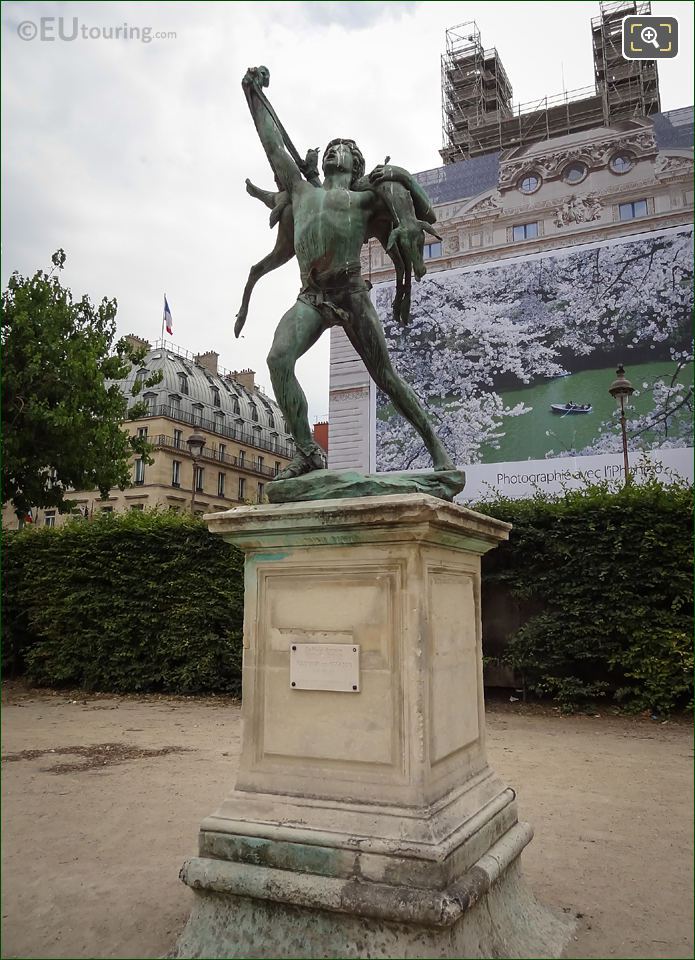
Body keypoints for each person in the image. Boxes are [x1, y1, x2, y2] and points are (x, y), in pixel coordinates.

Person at [240, 66, 454, 480]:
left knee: (386, 377)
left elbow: (425, 212)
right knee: (278, 358)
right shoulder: (302, 192)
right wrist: (251, 92)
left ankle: (438, 451)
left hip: (351, 292)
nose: (336, 149)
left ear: (356, 163)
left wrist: (402, 175)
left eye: (345, 147)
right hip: (313, 296)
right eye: (332, 146)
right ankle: (306, 451)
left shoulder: (366, 200)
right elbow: (271, 143)